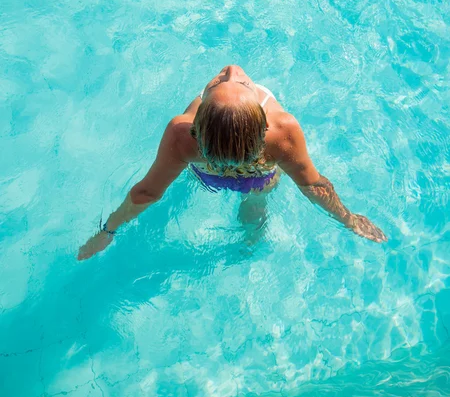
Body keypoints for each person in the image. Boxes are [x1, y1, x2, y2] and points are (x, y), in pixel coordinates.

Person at [78, 65, 387, 260]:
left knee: (188, 176)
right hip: (259, 175)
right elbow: (313, 185)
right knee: (257, 200)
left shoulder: (181, 135)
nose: (231, 69)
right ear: (263, 125)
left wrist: (108, 231)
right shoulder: (282, 132)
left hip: (206, 172)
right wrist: (349, 219)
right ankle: (251, 238)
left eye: (226, 83)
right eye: (235, 83)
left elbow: (146, 194)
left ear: (197, 126)